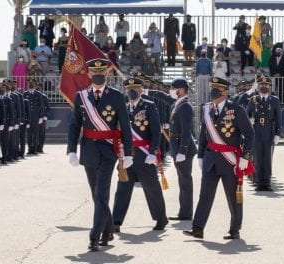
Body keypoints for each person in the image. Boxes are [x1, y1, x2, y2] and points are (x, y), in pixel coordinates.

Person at [67, 58, 133, 252]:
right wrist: (71, 150)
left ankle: (94, 236)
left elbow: (126, 127)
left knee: (101, 193)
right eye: (94, 72)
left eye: (101, 72)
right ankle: (108, 230)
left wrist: (128, 153)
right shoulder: (81, 97)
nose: (97, 75)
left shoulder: (117, 96)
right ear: (89, 74)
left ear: (106, 74)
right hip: (88, 150)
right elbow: (74, 125)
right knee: (97, 195)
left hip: (108, 151)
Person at [183, 77, 254, 240]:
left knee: (233, 197)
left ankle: (234, 230)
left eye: (217, 89)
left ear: (225, 92)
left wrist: (245, 156)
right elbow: (203, 134)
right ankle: (198, 228)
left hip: (229, 161)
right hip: (210, 160)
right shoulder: (206, 109)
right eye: (212, 88)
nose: (213, 91)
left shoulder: (236, 109)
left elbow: (250, 134)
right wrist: (200, 155)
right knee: (205, 195)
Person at [112, 78, 168, 233]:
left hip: (144, 153)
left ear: (141, 90)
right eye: (129, 89)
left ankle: (161, 217)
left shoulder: (149, 106)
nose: (132, 91)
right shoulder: (124, 107)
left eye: (135, 88)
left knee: (151, 187)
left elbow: (156, 132)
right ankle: (116, 220)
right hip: (127, 154)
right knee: (122, 187)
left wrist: (152, 152)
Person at [146, 78, 197, 221]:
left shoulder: (185, 106)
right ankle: (184, 211)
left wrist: (182, 150)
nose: (171, 92)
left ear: (181, 90)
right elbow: (163, 96)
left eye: (174, 89)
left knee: (185, 181)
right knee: (183, 180)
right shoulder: (178, 103)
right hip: (176, 145)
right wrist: (145, 91)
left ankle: (186, 213)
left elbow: (187, 131)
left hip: (182, 148)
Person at [246, 75, 282, 191]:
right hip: (256, 131)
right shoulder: (253, 99)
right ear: (258, 87)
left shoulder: (275, 100)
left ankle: (267, 183)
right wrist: (250, 120)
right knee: (257, 157)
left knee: (267, 158)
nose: (264, 87)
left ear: (270, 87)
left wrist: (278, 134)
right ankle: (258, 182)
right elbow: (246, 115)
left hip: (269, 131)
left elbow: (278, 118)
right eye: (262, 85)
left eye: (266, 85)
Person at [23, 81, 43, 155]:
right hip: (28, 118)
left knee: (35, 134)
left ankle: (34, 149)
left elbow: (41, 106)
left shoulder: (38, 94)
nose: (31, 86)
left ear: (35, 85)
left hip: (35, 117)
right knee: (29, 134)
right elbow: (23, 106)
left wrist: (41, 116)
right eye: (30, 84)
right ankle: (29, 149)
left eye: (32, 84)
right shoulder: (25, 93)